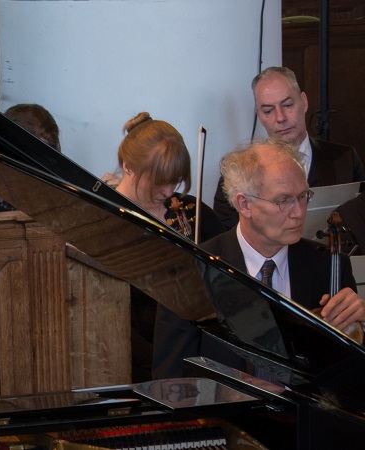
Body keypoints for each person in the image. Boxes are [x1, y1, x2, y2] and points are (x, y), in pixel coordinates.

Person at [154, 138, 365, 379]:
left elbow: (350, 379)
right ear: (244, 204)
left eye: (303, 196)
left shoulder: (328, 266)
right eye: (284, 200)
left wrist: (361, 325)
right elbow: (169, 380)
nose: (298, 212)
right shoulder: (190, 272)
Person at [105, 112, 226, 382]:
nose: (168, 191)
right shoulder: (107, 220)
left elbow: (230, 267)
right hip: (131, 354)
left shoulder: (191, 211)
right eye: (159, 182)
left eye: (175, 181)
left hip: (200, 350)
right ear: (128, 167)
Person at [213, 66, 365, 228]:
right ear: (260, 116)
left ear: (304, 102)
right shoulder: (236, 172)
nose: (280, 117)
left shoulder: (344, 159)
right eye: (268, 111)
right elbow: (229, 235)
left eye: (287, 105)